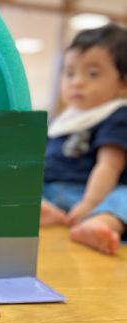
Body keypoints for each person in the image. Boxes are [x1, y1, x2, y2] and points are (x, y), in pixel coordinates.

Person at [40, 24, 127, 254]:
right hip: (49, 189)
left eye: (92, 73)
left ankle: (101, 223)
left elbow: (109, 166)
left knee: (124, 197)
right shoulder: (62, 119)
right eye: (70, 72)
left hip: (93, 193)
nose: (77, 82)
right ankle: (46, 210)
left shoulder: (117, 115)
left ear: (123, 83)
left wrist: (90, 204)